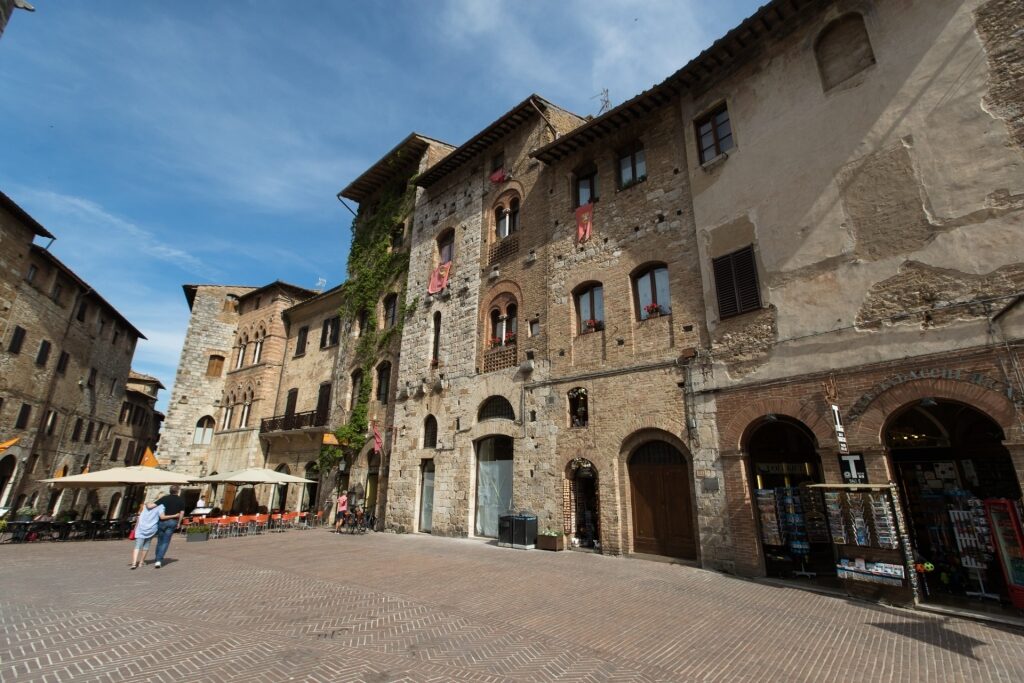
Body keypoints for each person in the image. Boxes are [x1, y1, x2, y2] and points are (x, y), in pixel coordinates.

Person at [152, 485, 185, 569]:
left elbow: (153, 505)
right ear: (177, 491)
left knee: (160, 541)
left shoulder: (164, 498)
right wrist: (179, 522)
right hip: (172, 522)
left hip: (162, 521)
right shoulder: (180, 500)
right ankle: (159, 559)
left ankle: (157, 559)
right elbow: (181, 513)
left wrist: (147, 505)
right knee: (166, 541)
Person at [130, 501, 164, 569]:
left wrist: (135, 528)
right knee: (146, 545)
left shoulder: (144, 505)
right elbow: (162, 517)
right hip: (151, 529)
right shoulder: (160, 506)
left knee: (137, 546)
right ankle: (141, 562)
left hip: (141, 528)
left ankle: (134, 563)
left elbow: (139, 517)